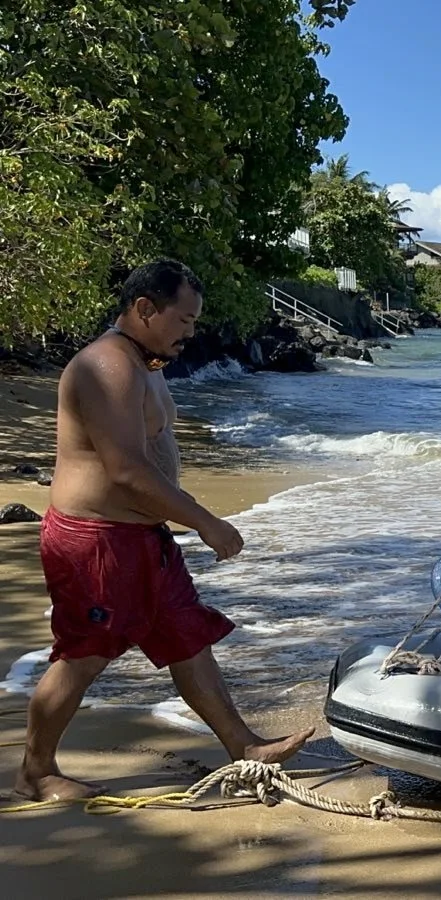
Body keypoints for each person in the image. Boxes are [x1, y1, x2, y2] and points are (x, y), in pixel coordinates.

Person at [15, 259, 313, 802]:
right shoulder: (106, 365)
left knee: (186, 637)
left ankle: (243, 745)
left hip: (141, 539)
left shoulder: (142, 363)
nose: (191, 333)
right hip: (96, 541)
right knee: (85, 653)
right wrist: (205, 521)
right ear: (145, 308)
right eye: (185, 320)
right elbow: (125, 469)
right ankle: (36, 770)